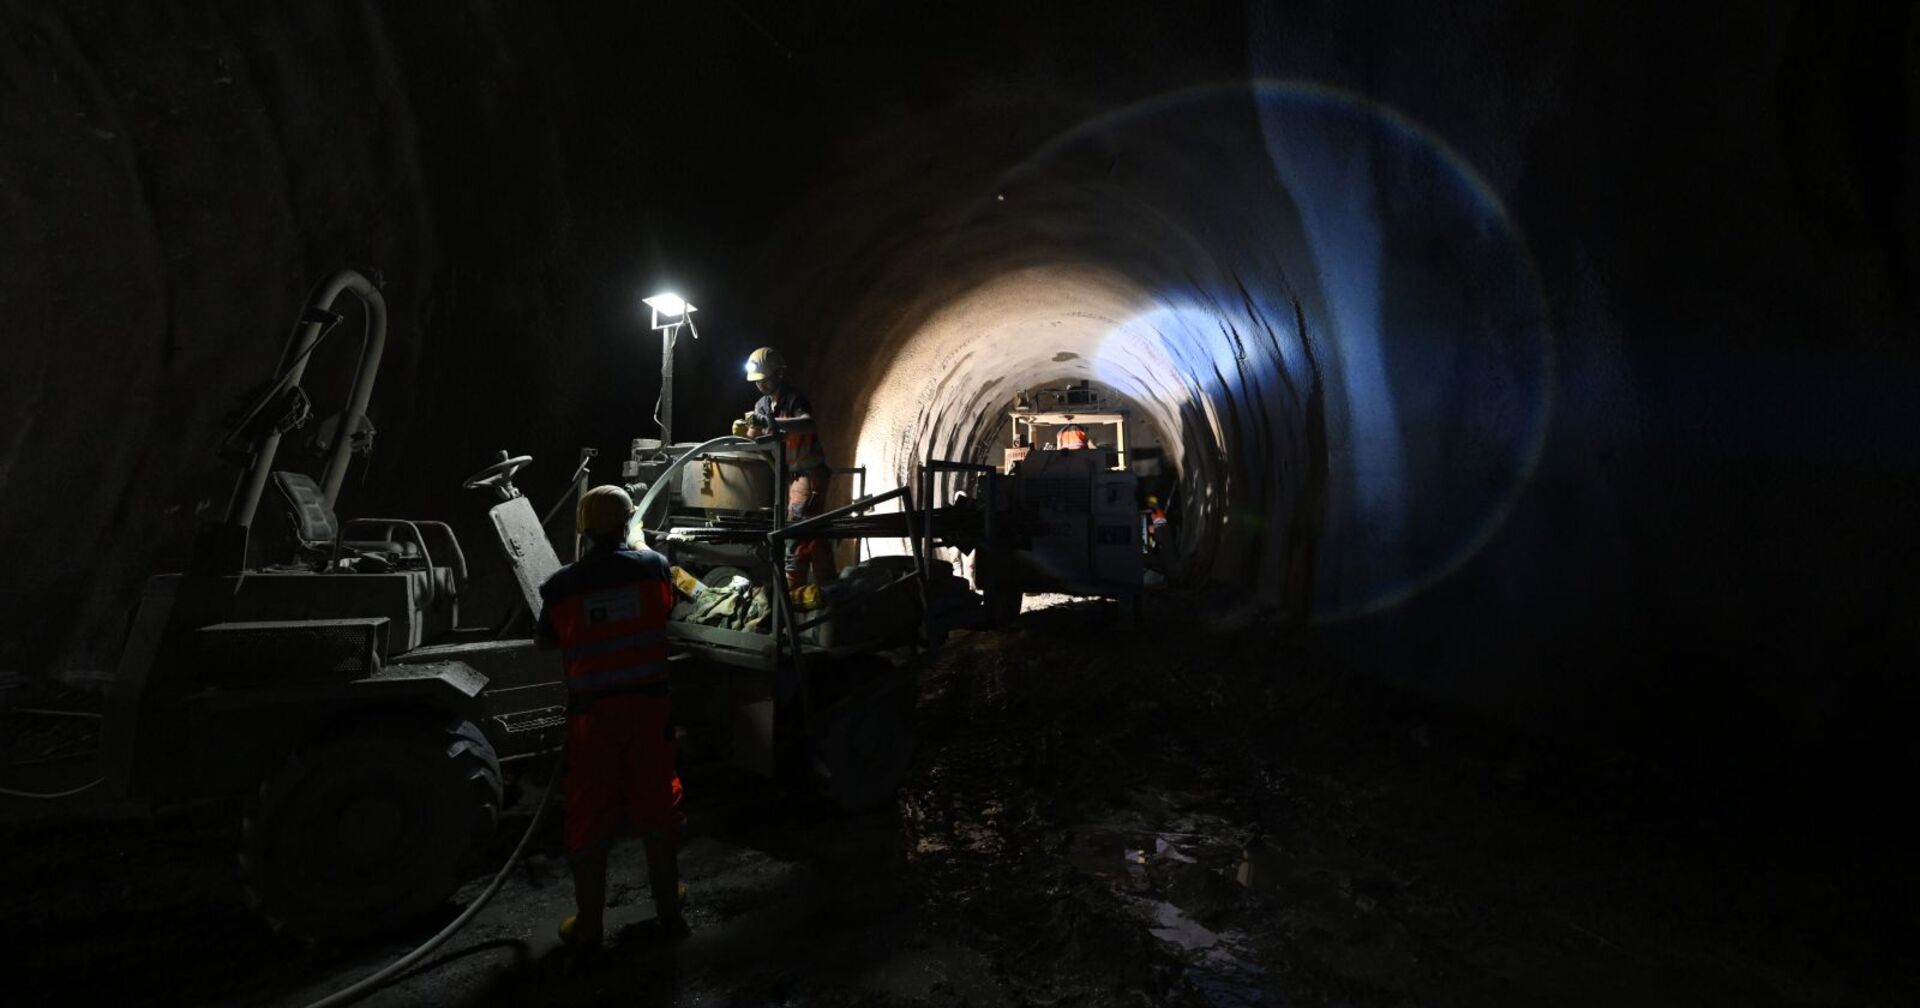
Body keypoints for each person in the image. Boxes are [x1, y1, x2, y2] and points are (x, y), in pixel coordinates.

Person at [537, 485, 687, 946]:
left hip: (593, 718)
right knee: (657, 805)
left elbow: (545, 641)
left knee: (590, 812)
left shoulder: (561, 586)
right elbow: (666, 609)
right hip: (647, 710)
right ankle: (669, 909)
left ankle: (589, 925)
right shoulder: (654, 567)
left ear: (583, 529)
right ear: (626, 523)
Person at [744, 346, 836, 589]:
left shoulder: (794, 399)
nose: (760, 384)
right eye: (757, 380)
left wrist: (772, 422)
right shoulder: (762, 405)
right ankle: (830, 590)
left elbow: (808, 423)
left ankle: (791, 594)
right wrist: (747, 432)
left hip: (810, 475)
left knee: (796, 532)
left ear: (779, 374)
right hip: (791, 477)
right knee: (815, 536)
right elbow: (756, 437)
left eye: (765, 379)